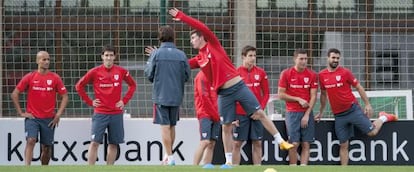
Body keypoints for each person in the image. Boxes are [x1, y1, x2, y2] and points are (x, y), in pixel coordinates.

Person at [168, 8, 293, 168]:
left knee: (260, 113)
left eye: (193, 38)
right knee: (226, 126)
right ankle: (228, 162)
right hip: (224, 94)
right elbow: (182, 62)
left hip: (238, 86)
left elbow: (202, 26)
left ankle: (281, 141)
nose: (191, 41)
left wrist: (182, 16)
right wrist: (162, 56)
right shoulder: (199, 58)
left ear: (201, 37)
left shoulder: (213, 44)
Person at [316, 48, 398, 165]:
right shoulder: (322, 75)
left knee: (372, 133)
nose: (335, 60)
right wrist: (321, 111)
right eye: (333, 58)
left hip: (352, 110)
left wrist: (367, 104)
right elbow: (323, 94)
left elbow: (359, 87)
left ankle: (384, 117)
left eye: (338, 58)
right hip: (339, 115)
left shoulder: (345, 72)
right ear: (327, 58)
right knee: (343, 144)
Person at [75, 45, 137, 165]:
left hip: (116, 114)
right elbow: (79, 86)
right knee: (94, 143)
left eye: (111, 55)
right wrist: (90, 101)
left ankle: (109, 168)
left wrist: (124, 101)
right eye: (106, 55)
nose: (109, 58)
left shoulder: (121, 71)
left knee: (113, 143)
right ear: (102, 56)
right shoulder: (95, 71)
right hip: (100, 113)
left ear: (115, 57)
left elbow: (133, 85)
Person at [11, 51, 69, 165]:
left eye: (48, 59)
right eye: (44, 59)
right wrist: (21, 112)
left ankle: (44, 168)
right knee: (31, 141)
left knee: (46, 148)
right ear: (37, 61)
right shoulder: (30, 77)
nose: (47, 62)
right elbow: (14, 94)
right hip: (32, 117)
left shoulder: (55, 78)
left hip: (48, 119)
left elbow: (65, 97)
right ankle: (27, 168)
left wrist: (58, 115)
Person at [144, 25, 191, 166]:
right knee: (172, 125)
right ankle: (167, 155)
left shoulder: (156, 54)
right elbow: (187, 75)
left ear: (160, 37)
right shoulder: (181, 55)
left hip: (161, 95)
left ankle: (170, 157)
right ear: (173, 37)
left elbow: (149, 74)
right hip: (176, 95)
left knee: (164, 126)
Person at [278, 49, 318, 166]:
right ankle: (293, 168)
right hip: (292, 113)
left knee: (306, 144)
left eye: (305, 59)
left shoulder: (312, 74)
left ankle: (303, 168)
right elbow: (281, 94)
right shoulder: (286, 73)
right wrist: (298, 99)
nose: (304, 61)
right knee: (294, 144)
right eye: (301, 59)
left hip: (307, 113)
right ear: (295, 59)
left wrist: (307, 114)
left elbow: (314, 95)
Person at [232, 45, 269, 165]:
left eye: (254, 56)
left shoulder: (261, 73)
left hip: (256, 114)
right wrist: (233, 116)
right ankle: (235, 168)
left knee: (257, 143)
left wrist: (260, 110)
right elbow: (231, 96)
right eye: (250, 56)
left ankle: (257, 168)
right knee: (237, 143)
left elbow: (266, 94)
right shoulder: (236, 73)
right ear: (243, 57)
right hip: (240, 114)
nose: (253, 58)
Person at [193, 71, 220, 168]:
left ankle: (207, 166)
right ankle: (194, 167)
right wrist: (215, 114)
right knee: (205, 141)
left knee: (212, 143)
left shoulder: (215, 76)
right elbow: (204, 97)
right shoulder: (201, 76)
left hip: (216, 114)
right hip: (205, 113)